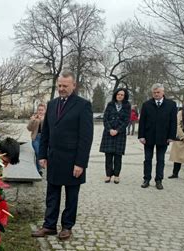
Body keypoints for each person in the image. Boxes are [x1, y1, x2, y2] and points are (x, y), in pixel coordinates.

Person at [31, 70, 93, 241]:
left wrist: (81, 163)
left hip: (73, 160)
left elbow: (86, 138)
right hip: (54, 158)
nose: (61, 88)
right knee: (52, 194)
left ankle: (67, 226)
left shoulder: (83, 105)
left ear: (73, 85)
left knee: (71, 195)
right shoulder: (52, 104)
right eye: (59, 85)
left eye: (65, 86)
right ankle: (49, 225)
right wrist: (42, 155)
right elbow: (46, 133)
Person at [138, 83, 177, 190]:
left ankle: (159, 180)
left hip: (163, 137)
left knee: (161, 160)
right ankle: (146, 179)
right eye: (154, 92)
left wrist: (171, 136)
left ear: (163, 92)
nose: (156, 94)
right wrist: (141, 136)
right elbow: (142, 121)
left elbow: (173, 122)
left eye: (158, 92)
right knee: (147, 159)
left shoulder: (171, 104)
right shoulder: (146, 104)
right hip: (148, 136)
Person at [99, 88, 131, 184]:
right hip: (108, 133)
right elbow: (105, 118)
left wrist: (117, 130)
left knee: (118, 156)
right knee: (108, 155)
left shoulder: (127, 106)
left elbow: (126, 120)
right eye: (118, 94)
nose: (120, 96)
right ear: (115, 95)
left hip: (120, 134)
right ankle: (108, 175)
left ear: (124, 96)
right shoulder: (110, 104)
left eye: (122, 94)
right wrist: (110, 129)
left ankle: (116, 175)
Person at [27, 103, 46, 175]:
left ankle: (39, 167)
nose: (40, 111)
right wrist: (32, 121)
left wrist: (43, 120)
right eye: (39, 110)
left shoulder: (47, 118)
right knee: (38, 153)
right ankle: (38, 171)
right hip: (36, 138)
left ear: (45, 111)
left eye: (42, 110)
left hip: (44, 139)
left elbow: (49, 129)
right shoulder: (34, 118)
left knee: (41, 154)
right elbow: (29, 129)